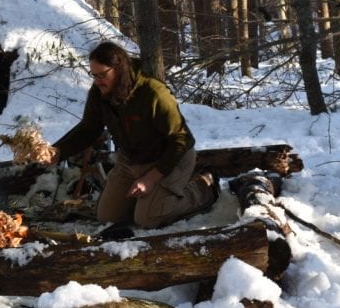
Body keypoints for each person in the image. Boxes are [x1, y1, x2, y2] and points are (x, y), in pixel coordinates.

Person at [48, 41, 218, 230]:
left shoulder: (153, 92)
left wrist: (151, 178)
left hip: (171, 159)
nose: (97, 81)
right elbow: (89, 129)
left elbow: (182, 140)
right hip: (131, 161)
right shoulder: (99, 92)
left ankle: (203, 187)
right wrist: (58, 151)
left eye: (102, 75)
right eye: (93, 75)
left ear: (119, 69)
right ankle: (152, 199)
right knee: (107, 216)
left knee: (146, 219)